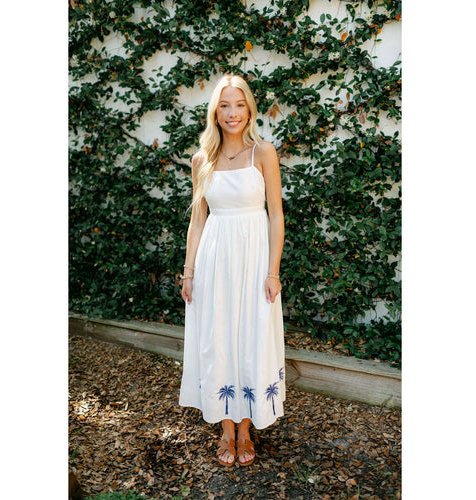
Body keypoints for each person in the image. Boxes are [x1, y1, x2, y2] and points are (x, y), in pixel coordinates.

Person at [179, 73, 285, 467]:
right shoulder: (201, 160)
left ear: (250, 109)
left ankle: (246, 428)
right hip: (214, 262)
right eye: (224, 105)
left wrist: (272, 271)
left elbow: (276, 214)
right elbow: (197, 220)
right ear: (215, 112)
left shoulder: (264, 153)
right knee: (219, 337)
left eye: (239, 104)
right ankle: (226, 429)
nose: (232, 113)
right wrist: (189, 272)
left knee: (251, 336)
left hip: (254, 259)